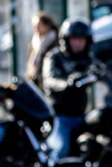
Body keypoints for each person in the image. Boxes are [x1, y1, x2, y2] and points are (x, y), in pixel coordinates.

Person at [40, 18, 98, 158]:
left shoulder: (88, 59)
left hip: (83, 116)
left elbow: (104, 70)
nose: (78, 43)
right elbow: (49, 80)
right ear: (66, 40)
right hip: (60, 117)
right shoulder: (54, 57)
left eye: (81, 39)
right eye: (74, 39)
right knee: (61, 150)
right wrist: (67, 83)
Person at [24, 10, 58, 84]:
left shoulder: (55, 44)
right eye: (34, 26)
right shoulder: (34, 43)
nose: (36, 29)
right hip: (35, 81)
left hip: (48, 82)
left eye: (38, 26)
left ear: (48, 26)